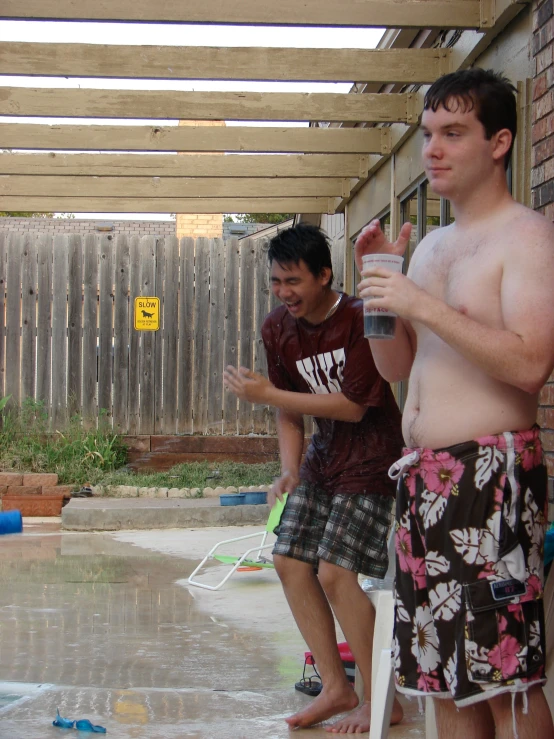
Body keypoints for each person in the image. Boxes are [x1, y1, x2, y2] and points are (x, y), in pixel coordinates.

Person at [356, 68, 554, 739]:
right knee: (440, 676)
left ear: (499, 142)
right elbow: (398, 367)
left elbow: (530, 363)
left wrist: (422, 304)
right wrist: (380, 293)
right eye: (427, 135)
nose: (432, 150)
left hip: (491, 480)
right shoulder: (433, 246)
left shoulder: (526, 237)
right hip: (424, 477)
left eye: (453, 133)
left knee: (507, 682)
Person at [224, 223, 404, 733]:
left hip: (372, 457)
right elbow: (289, 414)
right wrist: (288, 469)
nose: (284, 293)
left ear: (324, 275)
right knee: (287, 561)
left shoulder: (359, 319)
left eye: (293, 281)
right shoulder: (277, 328)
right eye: (275, 282)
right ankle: (336, 687)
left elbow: (350, 407)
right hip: (323, 459)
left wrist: (268, 396)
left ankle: (382, 698)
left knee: (335, 572)